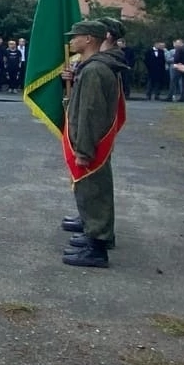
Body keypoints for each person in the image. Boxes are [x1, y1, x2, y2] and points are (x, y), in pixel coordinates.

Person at [56, 20, 127, 267]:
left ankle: (97, 247)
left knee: (94, 191)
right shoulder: (92, 67)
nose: (71, 41)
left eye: (76, 36)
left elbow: (89, 112)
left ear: (89, 39)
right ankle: (93, 236)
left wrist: (84, 149)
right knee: (92, 191)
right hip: (91, 140)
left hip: (89, 142)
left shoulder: (95, 70)